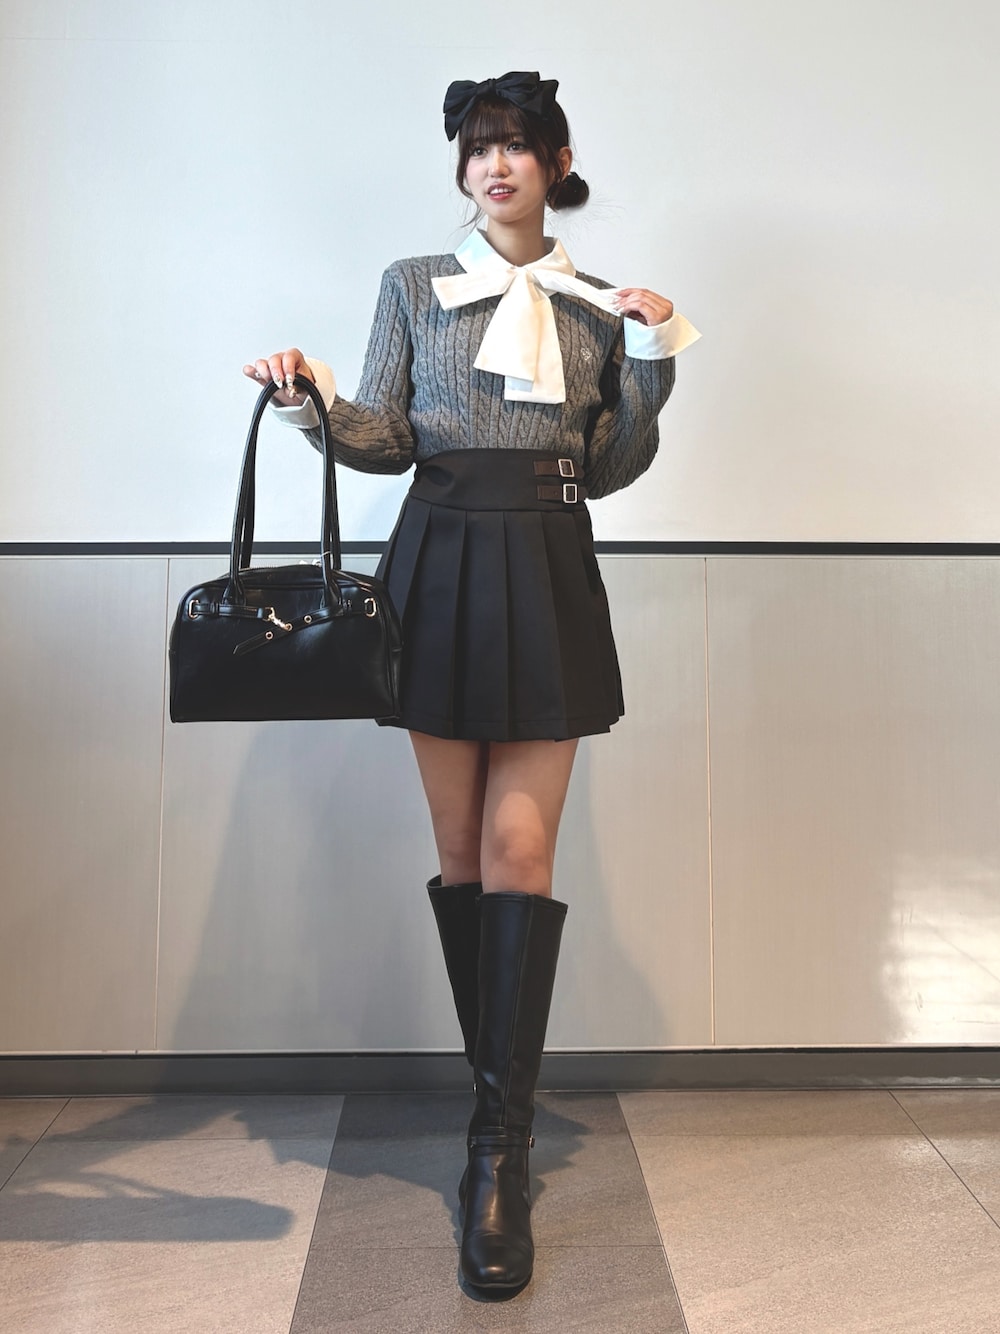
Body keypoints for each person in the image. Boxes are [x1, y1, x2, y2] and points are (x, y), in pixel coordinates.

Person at [244, 71, 699, 1297]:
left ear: (557, 164)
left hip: (547, 558)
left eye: (516, 147)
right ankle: (488, 1110)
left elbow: (611, 461)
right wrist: (309, 401)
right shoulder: (412, 284)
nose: (494, 166)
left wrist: (654, 352)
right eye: (477, 148)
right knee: (460, 851)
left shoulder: (597, 303)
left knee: (517, 847)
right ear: (462, 168)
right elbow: (388, 436)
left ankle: (499, 1145)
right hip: (437, 557)